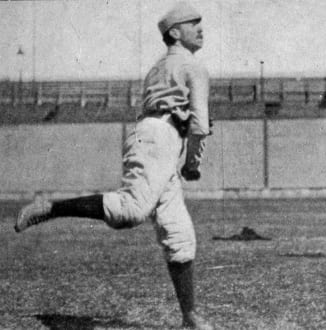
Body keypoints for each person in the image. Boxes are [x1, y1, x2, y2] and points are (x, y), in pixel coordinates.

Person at [14, 3, 213, 329]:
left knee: (180, 236)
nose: (201, 28)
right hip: (160, 141)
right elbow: (200, 126)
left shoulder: (158, 67)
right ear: (174, 32)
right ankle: (50, 207)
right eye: (193, 23)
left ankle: (190, 317)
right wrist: (193, 163)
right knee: (129, 211)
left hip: (155, 138)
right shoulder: (194, 67)